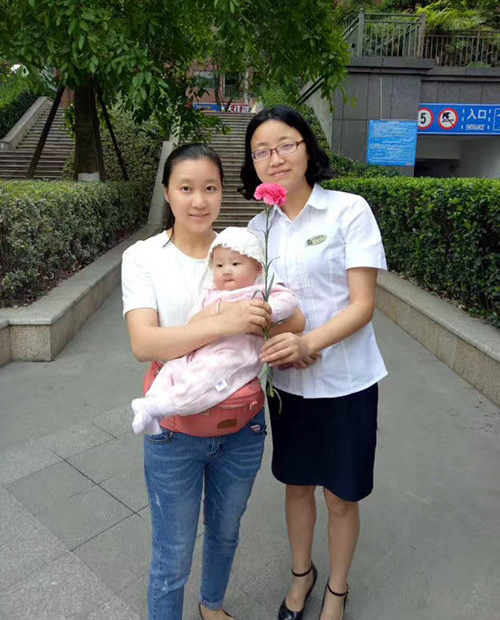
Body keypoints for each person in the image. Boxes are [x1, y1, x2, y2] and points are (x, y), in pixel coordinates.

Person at [122, 142, 304, 620]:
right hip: (175, 433)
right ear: (167, 192)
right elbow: (145, 342)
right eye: (186, 189)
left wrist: (273, 322)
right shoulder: (144, 257)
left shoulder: (241, 248)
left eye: (210, 188)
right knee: (173, 553)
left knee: (226, 532)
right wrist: (226, 322)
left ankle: (212, 607)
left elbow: (293, 317)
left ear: (223, 192)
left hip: (242, 426)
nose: (199, 200)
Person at [240, 106, 388, 620]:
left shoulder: (348, 211)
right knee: (297, 485)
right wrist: (283, 340)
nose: (275, 158)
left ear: (307, 147)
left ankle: (337, 591)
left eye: (286, 144)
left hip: (348, 380)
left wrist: (308, 343)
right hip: (289, 386)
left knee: (341, 496)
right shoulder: (257, 230)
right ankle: (302, 575)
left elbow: (363, 305)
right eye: (261, 151)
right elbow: (255, 307)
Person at [130, 226, 297, 435]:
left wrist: (268, 310)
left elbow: (288, 300)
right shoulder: (211, 294)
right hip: (200, 349)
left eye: (235, 264)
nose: (226, 270)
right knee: (173, 367)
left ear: (257, 268)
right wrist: (221, 313)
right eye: (219, 265)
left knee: (207, 377)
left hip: (234, 354)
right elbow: (193, 321)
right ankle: (151, 404)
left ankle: (166, 405)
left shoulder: (259, 290)